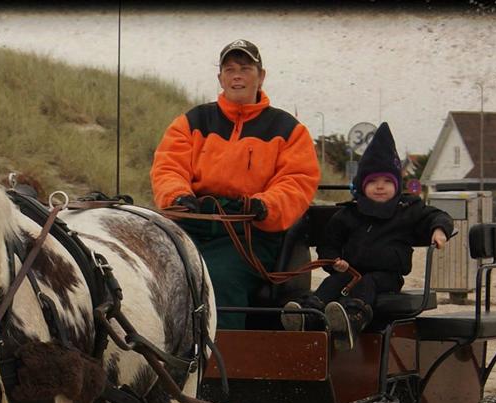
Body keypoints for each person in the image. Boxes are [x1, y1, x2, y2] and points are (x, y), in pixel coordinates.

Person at [150, 39, 320, 329]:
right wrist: (177, 196)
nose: (237, 76)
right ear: (220, 78)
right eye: (229, 69)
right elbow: (168, 167)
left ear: (261, 77)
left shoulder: (289, 130)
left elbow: (297, 181)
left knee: (217, 277)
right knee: (150, 268)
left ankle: (220, 353)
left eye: (245, 68)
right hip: (193, 221)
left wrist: (263, 205)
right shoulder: (191, 121)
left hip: (249, 233)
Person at [280, 122, 453, 350]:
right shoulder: (349, 213)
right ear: (362, 185)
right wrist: (334, 262)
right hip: (351, 271)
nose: (380, 187)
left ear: (397, 185)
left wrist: (439, 230)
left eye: (387, 182)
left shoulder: (407, 209)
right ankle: (309, 315)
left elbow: (437, 216)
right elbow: (329, 242)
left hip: (387, 276)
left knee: (367, 283)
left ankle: (351, 321)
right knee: (332, 283)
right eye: (372, 182)